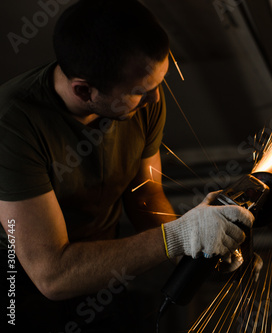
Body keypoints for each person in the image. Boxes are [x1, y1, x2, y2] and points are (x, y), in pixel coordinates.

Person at [0, 0, 254, 331]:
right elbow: (53, 275)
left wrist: (195, 250)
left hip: (101, 274)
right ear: (83, 89)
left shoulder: (141, 101)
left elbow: (146, 194)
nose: (155, 100)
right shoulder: (13, 127)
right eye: (140, 92)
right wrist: (179, 235)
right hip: (21, 292)